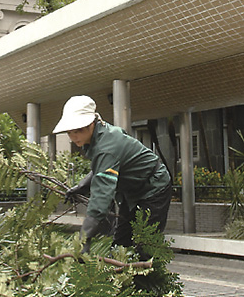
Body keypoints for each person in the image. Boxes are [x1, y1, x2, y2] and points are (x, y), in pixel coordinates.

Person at [54, 95, 172, 253]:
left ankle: (147, 274)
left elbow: (101, 197)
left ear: (91, 124)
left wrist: (84, 238)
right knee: (121, 244)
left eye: (79, 130)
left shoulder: (107, 145)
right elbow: (102, 166)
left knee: (146, 246)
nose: (74, 136)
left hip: (153, 188)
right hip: (131, 192)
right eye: (69, 132)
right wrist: (83, 185)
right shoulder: (96, 137)